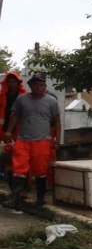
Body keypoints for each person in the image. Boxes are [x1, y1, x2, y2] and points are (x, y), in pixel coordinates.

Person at [3, 72, 60, 209]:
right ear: (30, 86)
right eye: (35, 85)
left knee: (40, 170)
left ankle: (40, 199)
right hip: (23, 140)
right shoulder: (22, 99)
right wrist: (9, 131)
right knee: (18, 168)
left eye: (41, 85)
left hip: (43, 141)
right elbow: (15, 116)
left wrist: (57, 138)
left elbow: (57, 121)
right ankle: (15, 198)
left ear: (44, 86)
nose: (38, 87)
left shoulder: (52, 101)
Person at [0, 71, 26, 189]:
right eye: (9, 81)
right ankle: (13, 189)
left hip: (19, 133)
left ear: (18, 83)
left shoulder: (24, 96)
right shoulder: (1, 96)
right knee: (5, 160)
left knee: (19, 161)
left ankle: (21, 189)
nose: (11, 84)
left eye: (14, 82)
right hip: (3, 133)